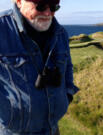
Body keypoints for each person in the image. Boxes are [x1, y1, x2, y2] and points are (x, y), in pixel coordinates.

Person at [0, 0, 79, 134]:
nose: (48, 13)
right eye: (40, 6)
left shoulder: (61, 33)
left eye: (54, 6)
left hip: (52, 129)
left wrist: (67, 95)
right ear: (19, 2)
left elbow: (68, 67)